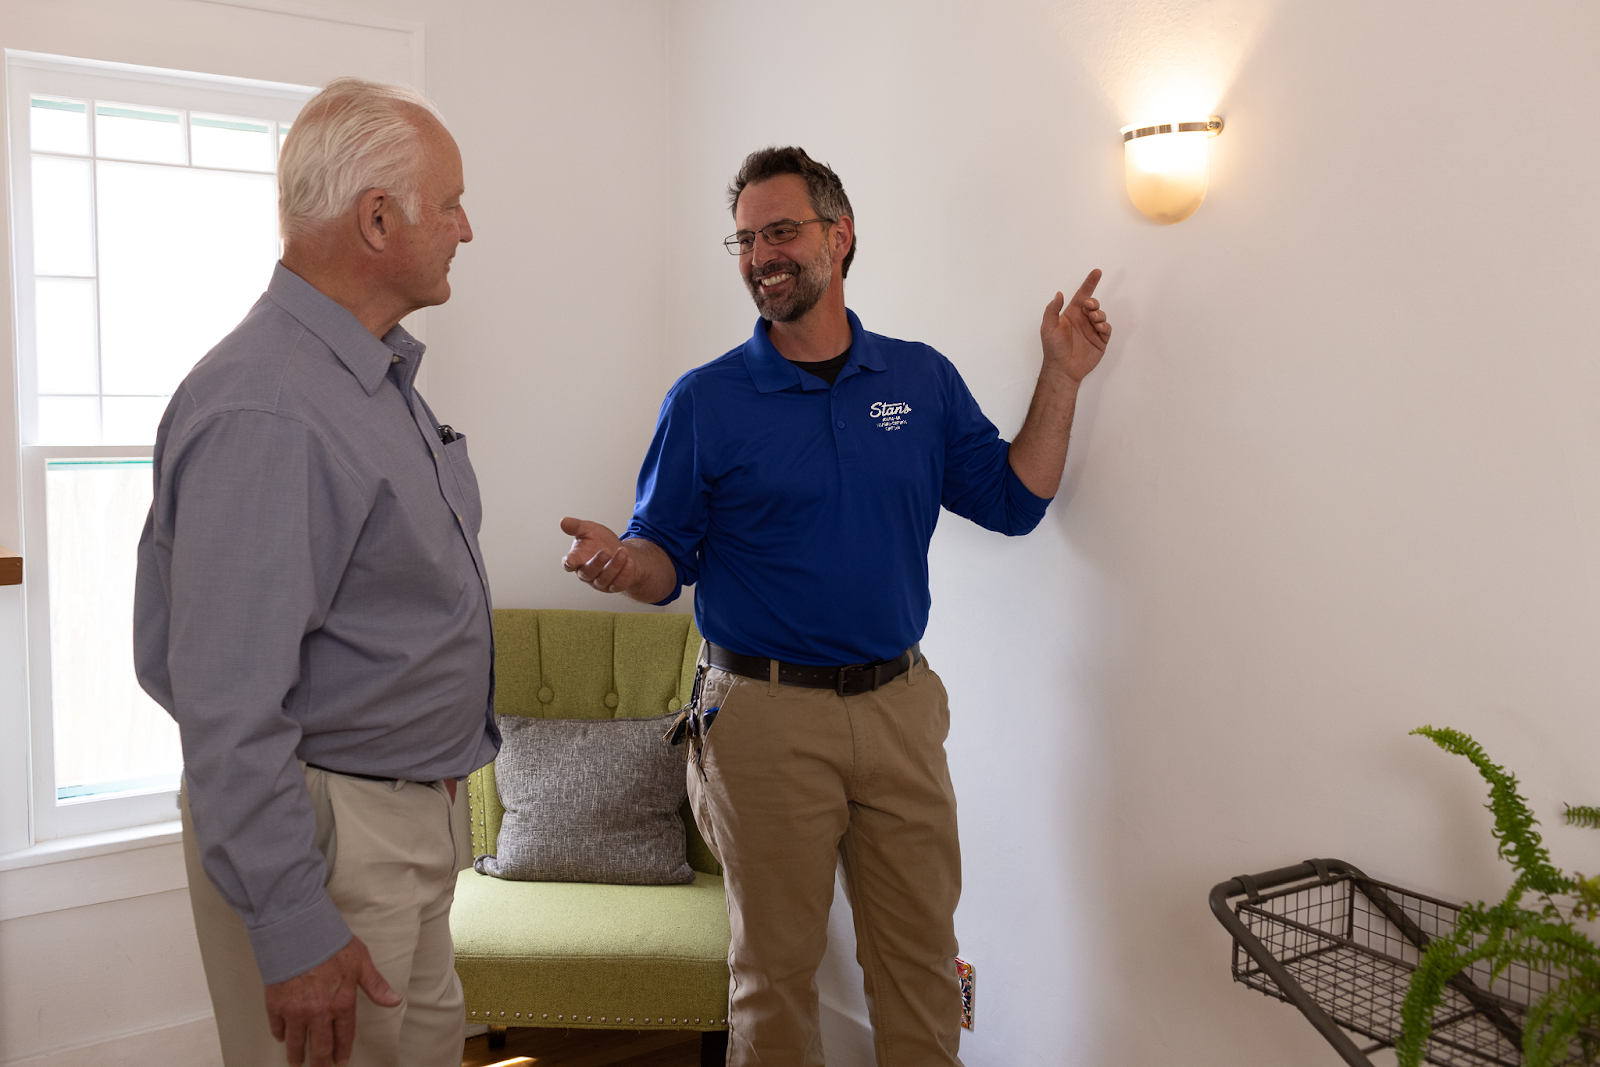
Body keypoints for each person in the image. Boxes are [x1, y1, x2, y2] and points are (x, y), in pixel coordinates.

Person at [559, 146, 1112, 1066]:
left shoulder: (919, 380)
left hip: (900, 708)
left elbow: (1015, 501)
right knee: (774, 975)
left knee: (923, 964)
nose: (760, 256)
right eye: (745, 240)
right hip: (762, 717)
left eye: (781, 231)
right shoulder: (705, 400)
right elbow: (662, 558)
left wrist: (1063, 374)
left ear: (840, 235)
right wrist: (624, 564)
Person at [133, 78, 496, 1067]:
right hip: (334, 832)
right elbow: (228, 703)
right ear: (377, 219)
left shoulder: (367, 379)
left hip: (407, 821)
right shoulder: (268, 406)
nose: (465, 228)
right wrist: (293, 923)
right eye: (449, 203)